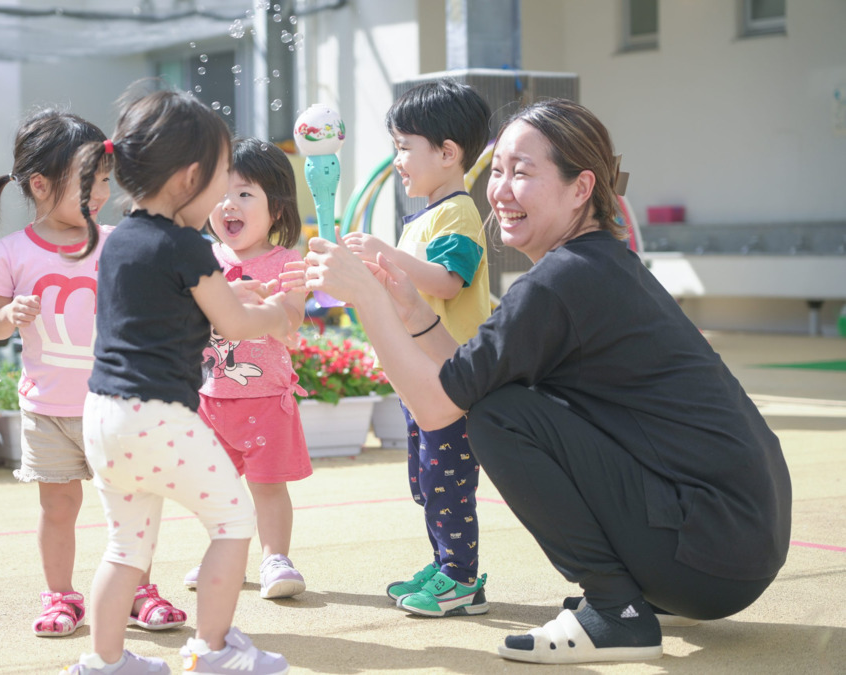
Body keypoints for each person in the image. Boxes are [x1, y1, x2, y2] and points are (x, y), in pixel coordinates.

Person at [290, 98, 791, 665]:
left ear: (582, 188)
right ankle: (629, 595)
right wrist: (410, 312)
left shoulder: (560, 283)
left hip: (709, 553)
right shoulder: (594, 266)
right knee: (495, 398)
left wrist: (367, 298)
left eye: (522, 172)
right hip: (733, 543)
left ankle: (616, 611)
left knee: (497, 415)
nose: (500, 190)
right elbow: (464, 372)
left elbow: (437, 407)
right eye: (497, 171)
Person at [0, 110, 184, 640]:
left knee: (129, 502)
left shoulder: (116, 241)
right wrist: (8, 315)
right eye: (87, 181)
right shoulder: (13, 252)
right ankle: (61, 595)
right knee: (58, 506)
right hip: (48, 410)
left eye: (105, 179)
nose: (100, 192)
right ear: (39, 185)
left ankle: (137, 589)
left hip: (117, 405)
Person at [65, 88, 291, 675]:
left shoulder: (121, 242)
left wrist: (225, 296)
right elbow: (238, 324)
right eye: (221, 178)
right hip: (158, 417)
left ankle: (105, 662)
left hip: (102, 418)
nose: (223, 194)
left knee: (125, 548)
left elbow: (165, 309)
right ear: (190, 177)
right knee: (233, 523)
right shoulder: (189, 246)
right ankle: (212, 651)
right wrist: (278, 315)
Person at [340, 80, 493, 617]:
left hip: (446, 372)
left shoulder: (458, 213)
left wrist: (386, 253)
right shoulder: (428, 215)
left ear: (448, 153)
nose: (397, 160)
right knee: (429, 477)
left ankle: (461, 578)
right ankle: (445, 562)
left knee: (448, 478)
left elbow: (449, 281)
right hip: (421, 374)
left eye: (405, 147)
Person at [181, 137, 310, 600]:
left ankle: (276, 559)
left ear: (276, 209)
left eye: (245, 193)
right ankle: (225, 555)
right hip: (210, 399)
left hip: (266, 399)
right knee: (216, 489)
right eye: (219, 193)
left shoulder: (287, 260)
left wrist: (264, 303)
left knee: (268, 487)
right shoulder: (201, 259)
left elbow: (292, 315)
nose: (228, 204)